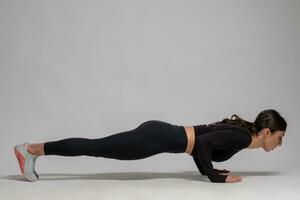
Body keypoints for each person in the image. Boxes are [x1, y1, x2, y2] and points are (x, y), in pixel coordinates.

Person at [14, 109, 287, 183]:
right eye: (279, 137)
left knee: (96, 147)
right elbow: (202, 144)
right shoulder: (242, 137)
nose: (279, 143)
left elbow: (201, 146)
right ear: (266, 132)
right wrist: (215, 177)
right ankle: (31, 150)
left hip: (161, 133)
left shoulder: (242, 134)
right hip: (157, 138)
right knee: (95, 147)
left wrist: (208, 171)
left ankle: (32, 151)